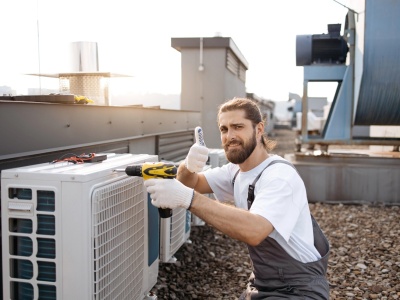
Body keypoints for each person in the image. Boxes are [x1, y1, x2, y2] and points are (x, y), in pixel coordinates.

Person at [144, 97, 330, 299]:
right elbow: (190, 183)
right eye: (224, 129)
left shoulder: (279, 177)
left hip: (299, 289)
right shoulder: (236, 171)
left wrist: (190, 199)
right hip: (263, 282)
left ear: (259, 130)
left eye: (237, 127)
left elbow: (255, 230)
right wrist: (187, 166)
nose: (229, 136)